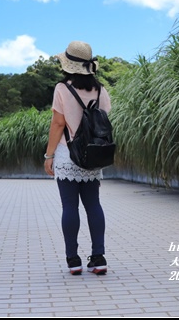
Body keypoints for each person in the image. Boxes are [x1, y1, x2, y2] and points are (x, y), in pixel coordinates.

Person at [44, 41, 112, 276]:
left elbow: (58, 124)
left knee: (69, 206)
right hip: (92, 153)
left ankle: (73, 260)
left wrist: (49, 154)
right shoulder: (101, 90)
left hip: (67, 153)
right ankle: (99, 257)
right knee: (94, 204)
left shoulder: (62, 89)